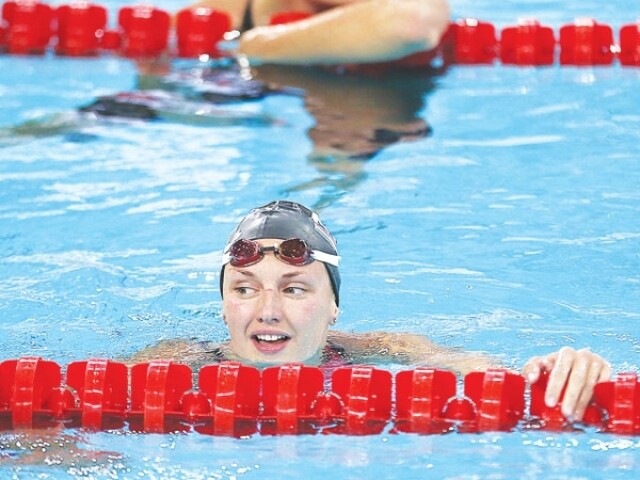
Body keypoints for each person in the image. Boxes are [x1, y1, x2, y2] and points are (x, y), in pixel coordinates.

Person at [130, 200, 612, 423]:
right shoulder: (173, 362)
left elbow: (492, 376)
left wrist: (551, 375)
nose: (268, 311)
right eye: (245, 288)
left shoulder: (387, 350)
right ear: (222, 305)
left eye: (295, 289)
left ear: (334, 307)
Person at [188, 0, 451, 66]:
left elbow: (408, 27)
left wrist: (257, 45)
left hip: (374, 127)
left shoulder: (414, 6)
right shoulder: (234, 8)